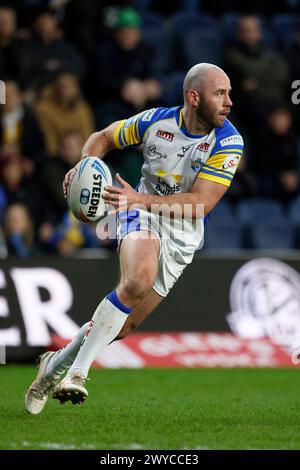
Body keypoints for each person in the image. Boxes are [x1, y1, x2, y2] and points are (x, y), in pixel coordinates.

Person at [25, 63, 244, 414]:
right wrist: (84, 164)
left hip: (182, 230)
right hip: (137, 210)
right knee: (136, 280)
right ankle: (78, 374)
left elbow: (200, 204)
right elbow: (104, 137)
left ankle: (54, 366)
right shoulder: (154, 122)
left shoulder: (229, 141)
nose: (229, 101)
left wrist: (142, 199)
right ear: (194, 96)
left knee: (124, 326)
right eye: (221, 93)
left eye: (229, 93)